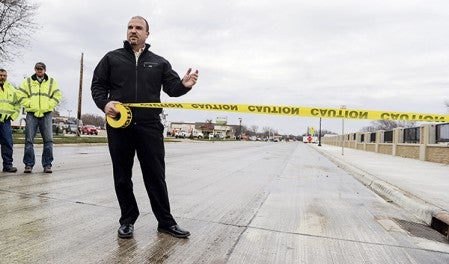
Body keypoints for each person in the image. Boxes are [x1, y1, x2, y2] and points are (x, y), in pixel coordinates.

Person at [91, 16, 199, 239]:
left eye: (138, 28)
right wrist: (105, 103)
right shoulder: (112, 58)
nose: (133, 31)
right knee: (122, 176)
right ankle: (127, 220)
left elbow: (172, 88)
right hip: (120, 126)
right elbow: (98, 86)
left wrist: (184, 86)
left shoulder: (159, 62)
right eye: (130, 27)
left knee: (156, 175)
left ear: (147, 34)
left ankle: (165, 222)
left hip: (150, 127)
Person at [17, 62, 62, 173]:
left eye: (41, 69)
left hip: (46, 114)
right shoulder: (28, 82)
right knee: (29, 140)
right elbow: (20, 95)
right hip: (32, 114)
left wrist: (48, 106)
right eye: (37, 69)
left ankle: (47, 165)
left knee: (48, 140)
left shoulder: (51, 82)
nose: (39, 71)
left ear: (45, 70)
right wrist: (30, 104)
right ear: (35, 69)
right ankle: (28, 165)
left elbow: (57, 96)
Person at [0, 69, 20, 173]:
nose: (2, 77)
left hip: (6, 121)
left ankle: (7, 165)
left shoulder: (11, 89)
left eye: (4, 75)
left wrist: (14, 115)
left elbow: (17, 104)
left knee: (8, 142)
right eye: (0, 75)